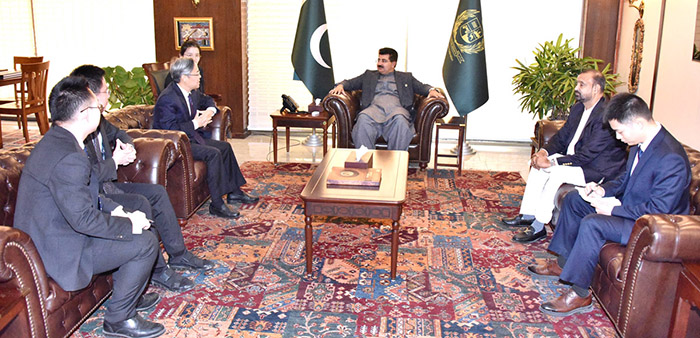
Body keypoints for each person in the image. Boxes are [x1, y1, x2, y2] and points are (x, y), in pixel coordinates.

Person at [14, 76, 165, 338]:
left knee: (135, 226)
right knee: (145, 242)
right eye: (97, 106)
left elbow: (87, 193)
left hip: (59, 232)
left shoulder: (59, 141)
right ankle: (119, 319)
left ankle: (128, 296)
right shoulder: (69, 156)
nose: (103, 109)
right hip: (59, 251)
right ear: (84, 114)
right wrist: (129, 224)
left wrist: (118, 211)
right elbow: (82, 220)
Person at [529, 93, 691, 317]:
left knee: (593, 223)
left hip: (654, 229)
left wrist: (613, 210)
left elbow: (657, 211)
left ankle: (580, 293)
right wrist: (603, 189)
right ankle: (564, 262)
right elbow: (625, 179)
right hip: (631, 210)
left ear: (639, 123)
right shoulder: (638, 142)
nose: (618, 137)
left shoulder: (670, 158)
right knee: (575, 200)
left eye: (620, 131)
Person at [70, 65, 216, 293]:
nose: (109, 95)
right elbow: (85, 179)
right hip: (94, 198)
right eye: (106, 91)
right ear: (91, 94)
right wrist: (114, 162)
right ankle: (159, 271)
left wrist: (125, 144)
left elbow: (119, 133)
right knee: (141, 203)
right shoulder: (75, 130)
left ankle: (179, 255)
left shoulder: (97, 120)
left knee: (157, 192)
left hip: (108, 187)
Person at [502, 69, 627, 243]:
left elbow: (587, 155)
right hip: (575, 161)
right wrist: (543, 153)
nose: (576, 87)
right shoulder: (578, 109)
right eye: (577, 83)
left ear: (596, 88)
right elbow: (561, 137)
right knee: (537, 167)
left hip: (594, 169)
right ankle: (528, 215)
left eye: (582, 84)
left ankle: (539, 227)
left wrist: (553, 163)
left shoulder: (605, 116)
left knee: (555, 174)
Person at [153, 57, 257, 218]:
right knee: (213, 154)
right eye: (196, 74)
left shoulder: (191, 92)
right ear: (184, 77)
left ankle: (234, 191)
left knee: (225, 147)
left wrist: (209, 110)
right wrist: (195, 123)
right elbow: (168, 130)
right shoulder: (168, 98)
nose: (200, 77)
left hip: (190, 138)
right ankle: (217, 204)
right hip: (175, 145)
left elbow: (207, 99)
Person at [329, 47, 444, 151]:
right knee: (362, 121)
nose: (379, 63)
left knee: (401, 123)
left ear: (393, 63)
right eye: (378, 60)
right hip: (372, 111)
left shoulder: (406, 77)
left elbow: (422, 86)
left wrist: (432, 90)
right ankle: (365, 163)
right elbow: (350, 82)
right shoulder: (369, 75)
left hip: (397, 111)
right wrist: (341, 85)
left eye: (384, 61)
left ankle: (396, 164)